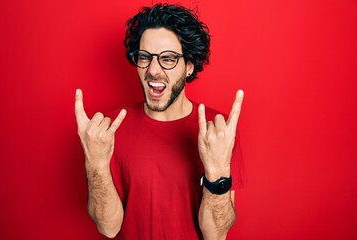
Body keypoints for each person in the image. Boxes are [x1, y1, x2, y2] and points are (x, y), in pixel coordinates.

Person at [75, 3, 245, 240]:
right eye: (144, 57)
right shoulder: (108, 129)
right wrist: (96, 164)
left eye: (168, 58)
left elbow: (215, 235)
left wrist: (217, 172)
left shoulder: (218, 131)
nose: (153, 70)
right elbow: (108, 227)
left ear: (189, 66)